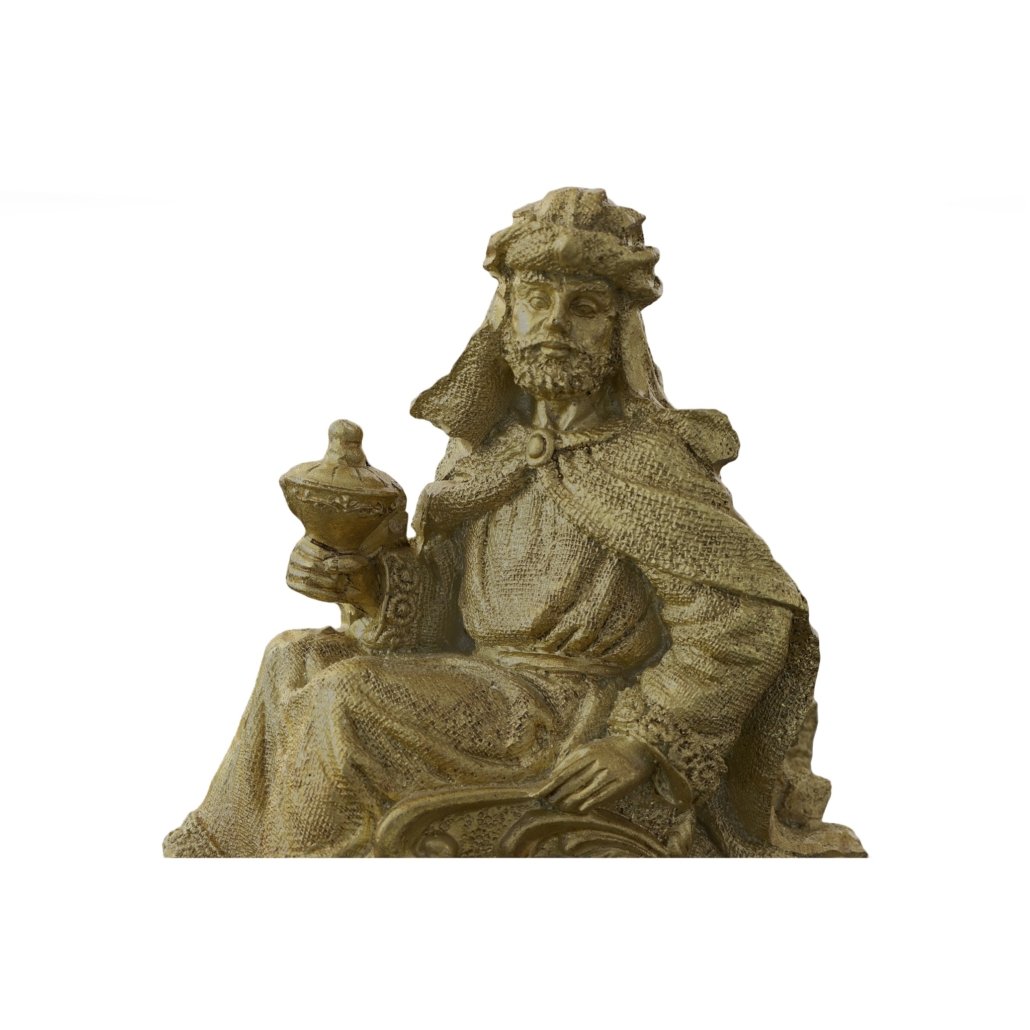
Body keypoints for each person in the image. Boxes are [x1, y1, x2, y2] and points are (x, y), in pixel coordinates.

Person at [164, 188, 864, 858]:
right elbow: (441, 620)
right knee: (295, 656)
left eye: (583, 306)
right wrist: (365, 587)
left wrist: (640, 741)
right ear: (506, 314)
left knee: (347, 700)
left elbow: (743, 621)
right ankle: (227, 856)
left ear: (618, 332)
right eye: (535, 299)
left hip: (571, 713)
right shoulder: (483, 452)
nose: (554, 323)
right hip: (483, 693)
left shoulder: (648, 459)